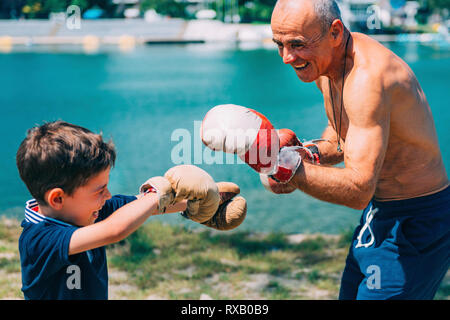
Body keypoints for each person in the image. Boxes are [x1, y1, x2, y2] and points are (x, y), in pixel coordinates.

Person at [202, 0, 449, 300]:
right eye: (279, 44)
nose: (286, 57)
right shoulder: (327, 64)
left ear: (334, 32)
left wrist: (283, 167)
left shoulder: (368, 78)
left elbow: (359, 190)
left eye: (297, 44)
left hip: (417, 221)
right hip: (380, 214)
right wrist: (305, 154)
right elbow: (341, 137)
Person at [16, 121, 246, 300]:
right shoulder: (39, 239)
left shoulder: (87, 212)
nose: (107, 196)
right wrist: (157, 192)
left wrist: (198, 205)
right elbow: (116, 229)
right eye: (100, 190)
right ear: (58, 198)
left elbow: (143, 206)